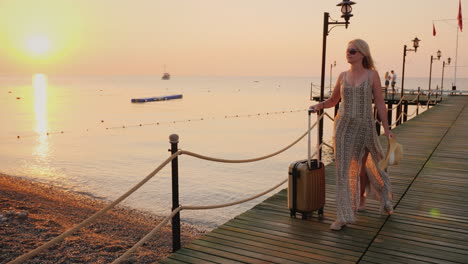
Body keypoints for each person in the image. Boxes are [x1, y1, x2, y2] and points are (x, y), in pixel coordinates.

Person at [309, 39, 395, 231]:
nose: (349, 53)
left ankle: (385, 198)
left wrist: (387, 129)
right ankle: (343, 215)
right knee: (343, 171)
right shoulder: (342, 76)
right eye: (347, 50)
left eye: (353, 51)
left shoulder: (372, 75)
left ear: (363, 54)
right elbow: (333, 100)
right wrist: (319, 105)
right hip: (343, 127)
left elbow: (380, 104)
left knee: (378, 163)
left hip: (365, 127)